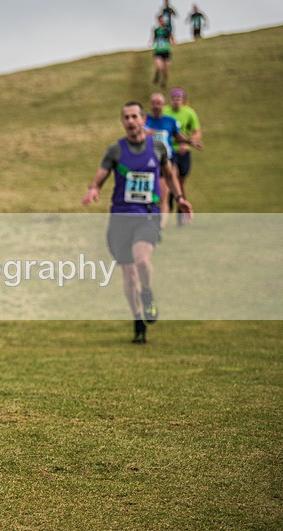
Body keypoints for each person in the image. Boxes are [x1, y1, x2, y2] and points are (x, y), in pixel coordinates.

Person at [82, 101, 192, 344]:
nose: (130, 121)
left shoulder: (159, 148)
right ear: (123, 122)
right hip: (120, 219)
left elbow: (170, 176)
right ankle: (138, 321)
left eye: (134, 117)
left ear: (143, 120)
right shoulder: (115, 151)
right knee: (128, 275)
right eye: (126, 117)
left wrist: (181, 198)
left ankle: (148, 292)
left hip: (147, 215)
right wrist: (93, 190)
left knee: (142, 259)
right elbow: (98, 178)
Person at [144, 92, 201, 227]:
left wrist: (189, 142)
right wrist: (145, 133)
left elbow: (178, 136)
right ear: (150, 105)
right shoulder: (144, 121)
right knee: (149, 197)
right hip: (147, 164)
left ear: (164, 105)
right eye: (154, 103)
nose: (156, 106)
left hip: (166, 161)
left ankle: (160, 227)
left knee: (164, 195)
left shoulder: (170, 121)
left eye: (159, 103)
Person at [164, 88, 203, 222]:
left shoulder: (189, 113)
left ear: (183, 100)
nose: (176, 102)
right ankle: (166, 211)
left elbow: (197, 132)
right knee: (171, 178)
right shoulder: (165, 113)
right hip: (169, 151)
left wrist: (186, 143)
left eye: (178, 99)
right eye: (173, 99)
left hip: (184, 153)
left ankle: (182, 213)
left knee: (181, 183)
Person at [151, 15, 175, 89]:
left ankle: (163, 82)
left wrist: (172, 41)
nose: (162, 22)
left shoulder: (167, 30)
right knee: (159, 67)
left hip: (166, 50)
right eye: (161, 20)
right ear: (158, 21)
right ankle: (157, 75)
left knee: (166, 69)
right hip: (158, 51)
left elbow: (171, 37)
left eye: (163, 20)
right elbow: (154, 38)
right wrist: (151, 43)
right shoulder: (156, 30)